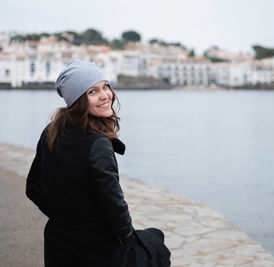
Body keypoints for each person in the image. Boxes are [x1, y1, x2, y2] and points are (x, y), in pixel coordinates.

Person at [26, 60, 171, 266]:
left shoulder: (51, 131)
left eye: (105, 86)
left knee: (153, 237)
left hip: (58, 243)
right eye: (92, 91)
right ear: (77, 100)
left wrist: (64, 220)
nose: (105, 95)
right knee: (156, 242)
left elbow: (33, 188)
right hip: (96, 249)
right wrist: (124, 238)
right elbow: (114, 205)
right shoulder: (97, 144)